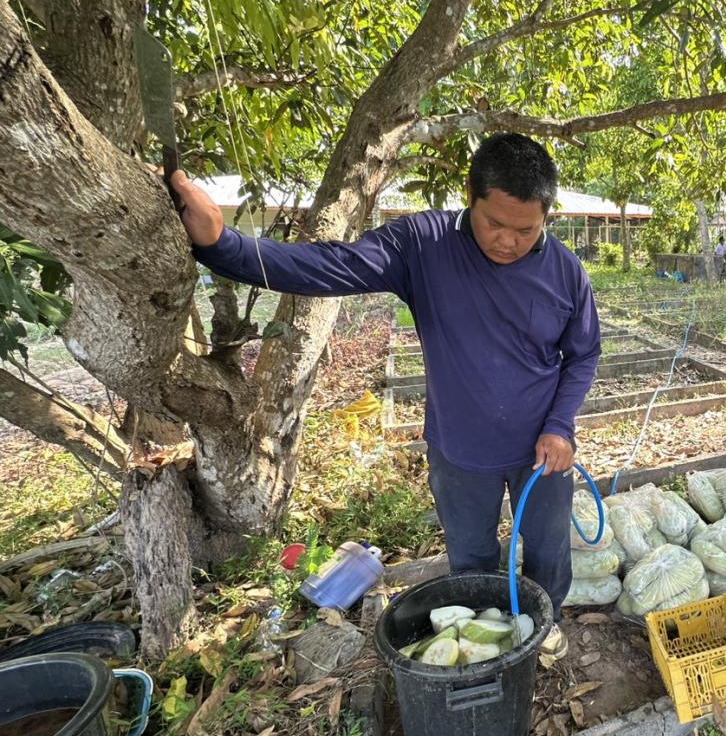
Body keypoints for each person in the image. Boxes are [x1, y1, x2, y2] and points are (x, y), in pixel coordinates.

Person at [170, 133, 601, 658]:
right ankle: (492, 642)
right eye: (495, 224)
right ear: (470, 194)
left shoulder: (565, 272)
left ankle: (543, 622)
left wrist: (560, 425)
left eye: (527, 230)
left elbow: (582, 355)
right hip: (461, 450)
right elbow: (329, 266)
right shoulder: (424, 245)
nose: (508, 242)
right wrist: (222, 245)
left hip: (543, 453)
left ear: (547, 217)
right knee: (471, 558)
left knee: (550, 553)